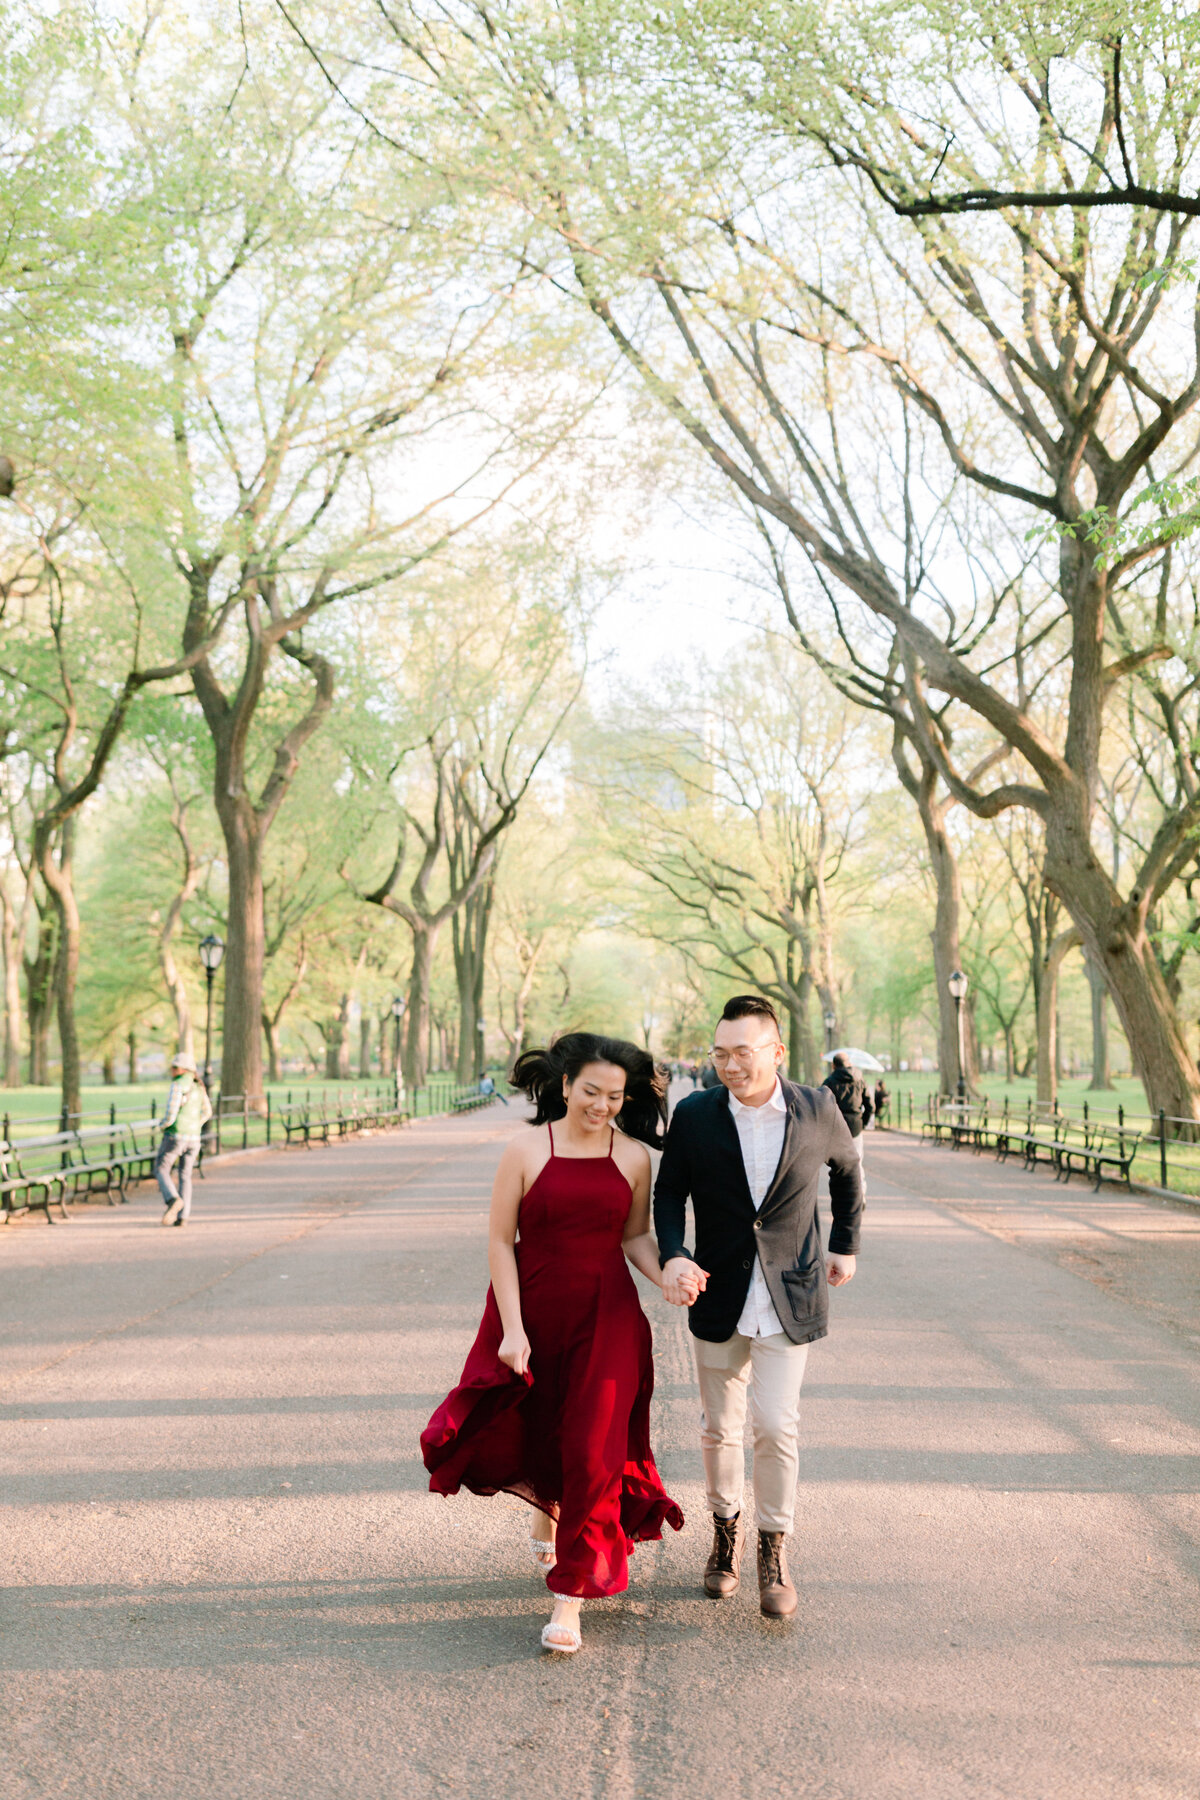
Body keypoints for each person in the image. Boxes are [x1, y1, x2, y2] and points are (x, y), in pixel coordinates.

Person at [421, 1032, 687, 1655]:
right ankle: (549, 1508)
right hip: (533, 1309)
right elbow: (497, 1243)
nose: (601, 1105)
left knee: (594, 1447)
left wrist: (670, 1271)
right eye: (590, 1091)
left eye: (615, 1096)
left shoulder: (634, 1157)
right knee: (540, 1425)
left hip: (608, 1317)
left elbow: (636, 1238)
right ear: (565, 1085)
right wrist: (512, 1331)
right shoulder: (524, 1149)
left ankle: (570, 1597)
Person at [654, 995, 863, 1618]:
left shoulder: (817, 1107)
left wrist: (846, 1246)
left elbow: (848, 1171)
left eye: (742, 1053)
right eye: (720, 1054)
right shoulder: (694, 1115)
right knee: (720, 1427)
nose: (730, 1065)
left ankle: (773, 1550)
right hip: (717, 1293)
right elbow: (668, 1197)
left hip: (789, 1290)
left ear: (775, 1052)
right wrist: (673, 1254)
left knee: (776, 1424)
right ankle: (725, 1536)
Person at [155, 1051, 213, 1227]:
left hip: (176, 1135)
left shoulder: (178, 1085)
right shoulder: (199, 1086)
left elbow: (171, 1114)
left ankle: (172, 1200)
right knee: (185, 1175)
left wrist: (163, 1125)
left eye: (174, 1067)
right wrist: (196, 1126)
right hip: (194, 1138)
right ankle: (183, 1216)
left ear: (183, 1069)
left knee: (161, 1168)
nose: (172, 1070)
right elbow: (207, 1112)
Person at [822, 1051, 872, 1189]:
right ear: (848, 1063)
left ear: (833, 1065)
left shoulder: (829, 1082)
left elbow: (822, 1106)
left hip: (837, 1126)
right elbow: (869, 1105)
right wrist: (863, 1123)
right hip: (856, 1124)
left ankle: (842, 1194)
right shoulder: (860, 1080)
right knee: (857, 1161)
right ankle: (860, 1194)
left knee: (837, 1163)